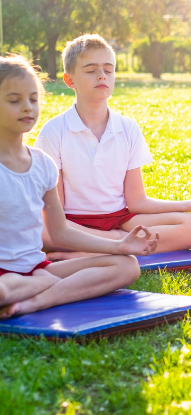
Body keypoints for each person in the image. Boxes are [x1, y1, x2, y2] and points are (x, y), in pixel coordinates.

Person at [35, 34, 191, 259]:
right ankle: (116, 245)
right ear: (70, 81)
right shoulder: (53, 131)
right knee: (42, 231)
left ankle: (93, 251)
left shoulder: (128, 128)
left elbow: (137, 201)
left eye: (108, 69)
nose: (101, 76)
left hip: (122, 220)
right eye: (91, 70)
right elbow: (55, 214)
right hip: (73, 224)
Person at [0, 56, 159, 319]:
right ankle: (21, 290)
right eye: (14, 100)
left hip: (38, 268)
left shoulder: (43, 165)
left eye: (33, 99)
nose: (27, 108)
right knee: (5, 289)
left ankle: (34, 300)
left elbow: (60, 232)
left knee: (127, 266)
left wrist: (121, 246)